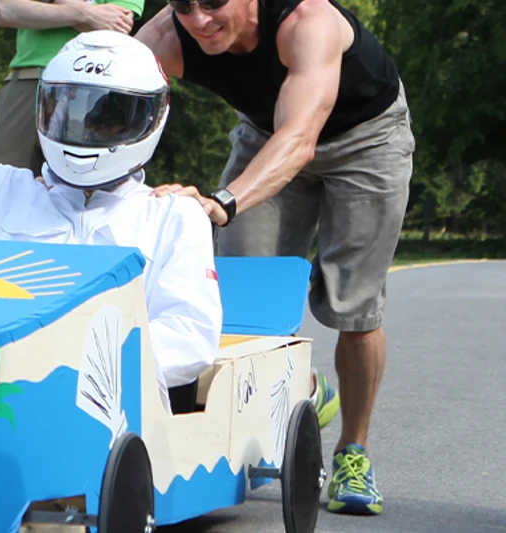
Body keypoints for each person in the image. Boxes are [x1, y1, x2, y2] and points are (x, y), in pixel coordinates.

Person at [135, 0, 414, 515]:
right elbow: (113, 101)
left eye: (213, 3)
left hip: (365, 140)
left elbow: (301, 138)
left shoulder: (307, 22)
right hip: (266, 133)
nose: (198, 20)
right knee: (240, 298)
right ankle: (289, 396)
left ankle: (354, 451)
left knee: (352, 308)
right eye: (184, 5)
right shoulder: (163, 39)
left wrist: (221, 202)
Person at [0, 0, 223, 411]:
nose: (85, 127)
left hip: (114, 423)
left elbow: (189, 335)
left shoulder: (171, 215)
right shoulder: (5, 193)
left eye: (106, 117)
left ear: (150, 117)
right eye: (69, 111)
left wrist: (62, 366)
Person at [0, 0, 143, 177]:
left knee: (82, 187)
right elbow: (7, 11)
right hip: (30, 82)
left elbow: (114, 28)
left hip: (92, 90)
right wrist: (86, 13)